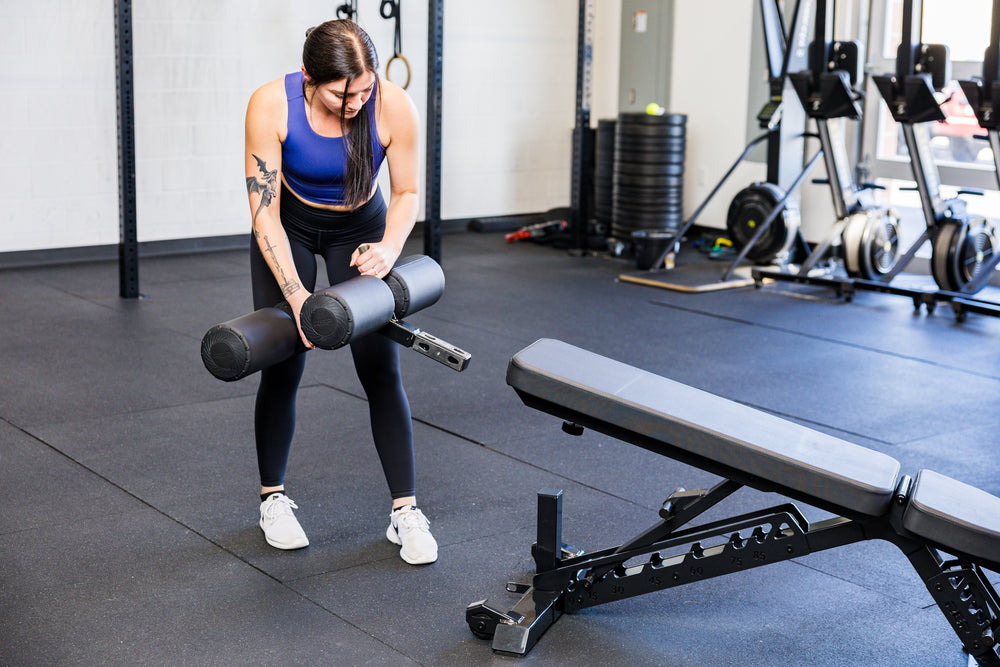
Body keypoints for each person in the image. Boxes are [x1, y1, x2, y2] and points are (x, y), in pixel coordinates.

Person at [243, 19, 436, 565]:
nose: (354, 102)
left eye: (364, 89)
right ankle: (272, 500)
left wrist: (389, 250)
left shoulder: (392, 104)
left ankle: (405, 512)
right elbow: (264, 214)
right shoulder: (270, 104)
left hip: (361, 229)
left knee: (380, 368)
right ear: (309, 77)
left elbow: (407, 192)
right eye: (339, 93)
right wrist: (297, 296)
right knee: (283, 363)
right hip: (290, 229)